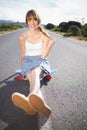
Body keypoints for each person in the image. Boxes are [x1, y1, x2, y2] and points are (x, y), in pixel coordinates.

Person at [11, 9, 56, 117]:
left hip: (40, 60)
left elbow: (44, 55)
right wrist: (22, 70)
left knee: (35, 73)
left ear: (38, 20)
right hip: (28, 61)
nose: (32, 22)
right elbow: (23, 54)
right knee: (31, 79)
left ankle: (29, 100)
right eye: (30, 19)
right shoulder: (22, 37)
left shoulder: (44, 35)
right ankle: (35, 106)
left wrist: (50, 45)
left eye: (34, 19)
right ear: (27, 21)